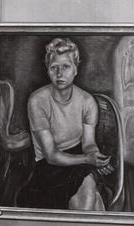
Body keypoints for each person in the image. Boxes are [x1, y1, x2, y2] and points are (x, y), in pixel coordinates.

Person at [17, 38, 112, 210]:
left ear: (76, 68)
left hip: (79, 159)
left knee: (89, 191)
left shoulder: (87, 101)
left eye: (66, 66)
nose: (59, 74)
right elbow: (51, 155)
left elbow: (89, 143)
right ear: (47, 69)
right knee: (93, 200)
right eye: (54, 68)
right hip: (49, 167)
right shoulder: (37, 101)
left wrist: (96, 157)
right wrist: (87, 159)